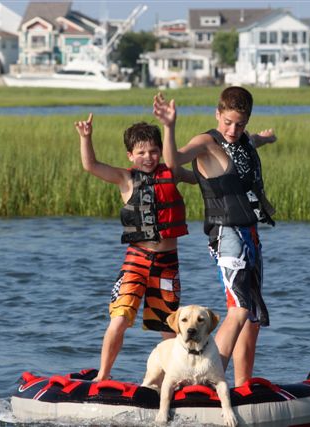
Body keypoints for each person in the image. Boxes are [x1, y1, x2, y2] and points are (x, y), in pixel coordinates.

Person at [156, 88, 277, 387]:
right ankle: (209, 381)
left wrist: (266, 137)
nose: (233, 130)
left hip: (250, 234)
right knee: (238, 310)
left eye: (240, 124)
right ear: (217, 114)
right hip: (227, 234)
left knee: (252, 318)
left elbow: (254, 141)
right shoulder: (207, 142)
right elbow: (173, 160)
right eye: (228, 122)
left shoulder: (245, 139)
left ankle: (243, 386)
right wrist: (169, 126)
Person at [74, 108, 195, 383]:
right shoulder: (125, 178)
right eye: (141, 153)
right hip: (136, 261)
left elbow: (202, 176)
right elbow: (91, 165)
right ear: (130, 155)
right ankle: (102, 375)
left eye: (154, 151)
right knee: (119, 319)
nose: (148, 157)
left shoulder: (172, 173)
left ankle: (175, 380)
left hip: (167, 265)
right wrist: (86, 137)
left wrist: (170, 127)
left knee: (170, 327)